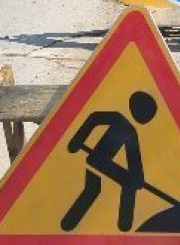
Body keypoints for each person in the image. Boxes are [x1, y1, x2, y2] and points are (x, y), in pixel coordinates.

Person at [61, 91, 158, 232]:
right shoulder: (119, 120)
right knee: (122, 184)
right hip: (98, 160)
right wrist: (76, 141)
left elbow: (133, 160)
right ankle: (124, 225)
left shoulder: (131, 131)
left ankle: (66, 225)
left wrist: (139, 177)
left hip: (99, 161)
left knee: (92, 190)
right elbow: (93, 118)